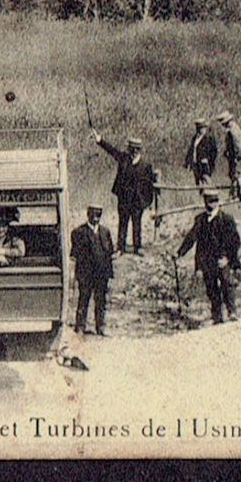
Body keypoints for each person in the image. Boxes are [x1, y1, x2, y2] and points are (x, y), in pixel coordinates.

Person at [176, 187, 241, 325]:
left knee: (226, 282)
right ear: (205, 201)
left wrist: (228, 259)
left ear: (218, 202)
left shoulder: (226, 219)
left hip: (222, 259)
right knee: (211, 287)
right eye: (209, 201)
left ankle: (232, 312)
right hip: (207, 260)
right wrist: (179, 253)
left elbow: (235, 241)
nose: (211, 204)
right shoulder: (200, 220)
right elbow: (191, 238)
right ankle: (216, 315)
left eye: (214, 201)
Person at [93, 131, 158, 254]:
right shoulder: (124, 159)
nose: (132, 152)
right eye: (131, 150)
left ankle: (137, 247)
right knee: (122, 223)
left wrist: (147, 202)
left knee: (136, 224)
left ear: (138, 150)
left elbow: (149, 186)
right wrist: (100, 140)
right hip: (123, 199)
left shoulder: (145, 166)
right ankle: (120, 248)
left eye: (135, 150)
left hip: (137, 201)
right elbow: (112, 151)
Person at [69, 204, 115, 335]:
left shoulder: (105, 232)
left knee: (100, 301)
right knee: (84, 299)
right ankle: (80, 326)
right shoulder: (78, 232)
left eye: (99, 215)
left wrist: (108, 273)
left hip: (101, 274)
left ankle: (100, 327)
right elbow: (75, 255)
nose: (96, 218)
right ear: (87, 214)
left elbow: (109, 253)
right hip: (86, 274)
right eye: (93, 214)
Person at [218, 110, 241, 200]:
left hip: (235, 156)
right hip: (235, 155)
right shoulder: (235, 128)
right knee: (234, 174)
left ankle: (236, 193)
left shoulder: (232, 131)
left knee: (235, 174)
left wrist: (236, 156)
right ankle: (235, 193)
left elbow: (237, 145)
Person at [184, 118, 218, 186]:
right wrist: (188, 161)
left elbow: (214, 151)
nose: (200, 130)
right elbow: (191, 149)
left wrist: (209, 160)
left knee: (206, 180)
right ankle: (201, 194)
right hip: (196, 163)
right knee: (198, 181)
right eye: (198, 128)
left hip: (204, 164)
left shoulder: (208, 138)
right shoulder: (195, 138)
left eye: (202, 128)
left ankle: (209, 194)